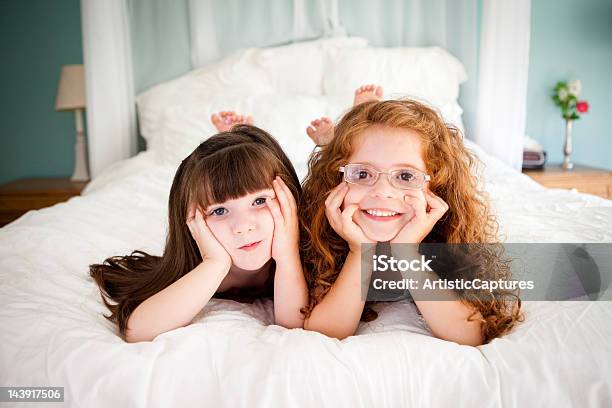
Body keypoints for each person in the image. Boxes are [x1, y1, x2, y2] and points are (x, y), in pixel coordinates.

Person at [299, 97, 523, 346]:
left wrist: (406, 253)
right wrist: (359, 251)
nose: (383, 192)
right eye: (362, 173)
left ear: (437, 187)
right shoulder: (323, 236)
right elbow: (324, 332)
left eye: (405, 175)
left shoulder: (447, 239)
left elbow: (470, 335)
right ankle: (332, 141)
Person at [90, 125, 308, 342]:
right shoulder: (193, 266)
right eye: (219, 210)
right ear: (192, 222)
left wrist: (287, 255)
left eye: (259, 201)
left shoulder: (313, 257)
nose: (242, 226)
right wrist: (215, 263)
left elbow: (292, 331)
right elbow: (138, 331)